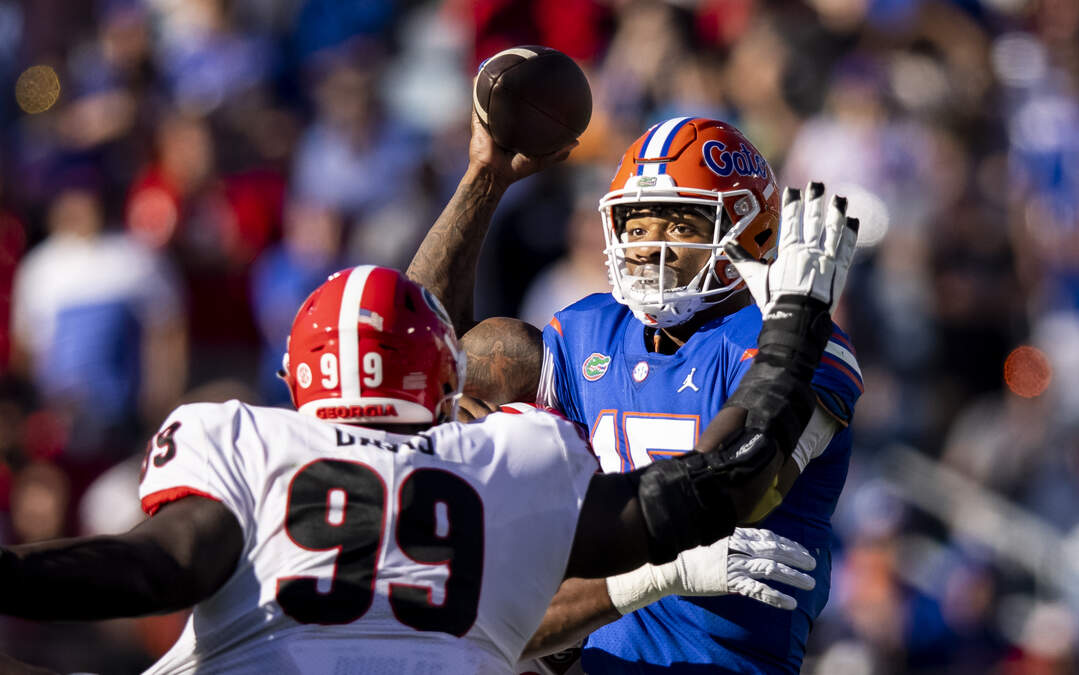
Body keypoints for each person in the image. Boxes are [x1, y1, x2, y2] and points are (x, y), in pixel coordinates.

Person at [0, 210, 852, 673]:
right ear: (443, 379)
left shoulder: (242, 435)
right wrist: (797, 321)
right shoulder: (504, 466)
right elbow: (724, 478)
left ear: (298, 379)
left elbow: (158, 568)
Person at [407, 114, 862, 672]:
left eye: (679, 226)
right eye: (636, 226)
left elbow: (747, 481)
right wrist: (485, 179)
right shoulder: (587, 333)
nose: (647, 248)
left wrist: (791, 331)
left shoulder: (787, 342)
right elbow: (412, 359)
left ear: (751, 232)